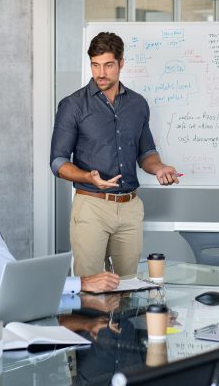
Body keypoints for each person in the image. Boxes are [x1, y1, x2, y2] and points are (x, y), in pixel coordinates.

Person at [50, 31, 180, 278]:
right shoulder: (73, 105)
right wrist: (89, 177)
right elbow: (58, 162)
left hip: (130, 207)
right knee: (89, 287)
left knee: (128, 286)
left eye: (108, 65)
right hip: (91, 206)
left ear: (121, 63)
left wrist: (160, 168)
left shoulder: (138, 104)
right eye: (95, 65)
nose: (100, 73)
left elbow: (146, 153)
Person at [0, 134, 120, 305]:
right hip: (10, 311)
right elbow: (16, 282)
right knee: (99, 308)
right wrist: (84, 283)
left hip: (0, 306)